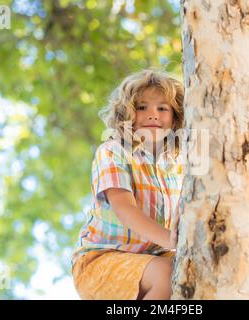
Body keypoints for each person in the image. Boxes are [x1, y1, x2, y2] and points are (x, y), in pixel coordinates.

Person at [71, 68, 185, 300]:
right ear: (126, 115)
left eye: (162, 108)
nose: (153, 114)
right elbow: (126, 210)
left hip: (153, 258)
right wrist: (173, 241)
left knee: (196, 272)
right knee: (167, 274)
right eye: (142, 107)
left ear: (175, 118)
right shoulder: (114, 151)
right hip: (101, 261)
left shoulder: (177, 166)